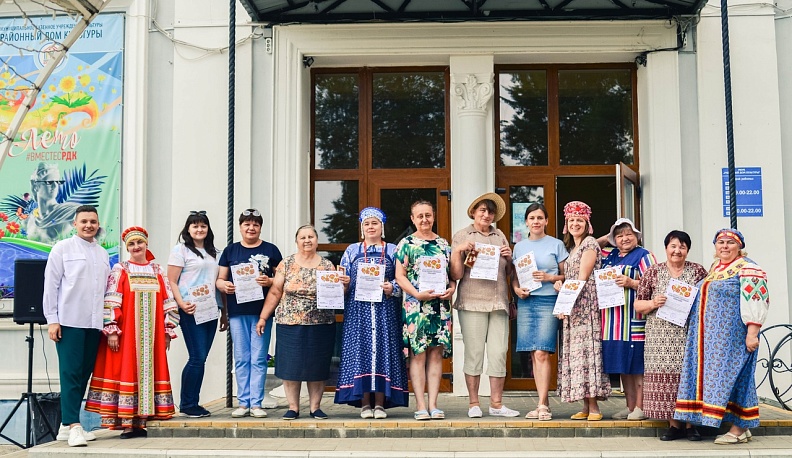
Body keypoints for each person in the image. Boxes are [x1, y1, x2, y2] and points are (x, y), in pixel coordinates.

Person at [674, 229, 769, 445]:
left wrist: (752, 332)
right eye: (720, 242)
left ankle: (739, 428)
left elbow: (756, 299)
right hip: (711, 340)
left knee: (739, 378)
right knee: (725, 380)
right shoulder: (716, 268)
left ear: (739, 247)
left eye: (730, 243)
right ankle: (740, 427)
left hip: (733, 336)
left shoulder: (748, 268)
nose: (724, 246)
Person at [85, 226, 179, 438]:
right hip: (127, 335)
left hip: (152, 336)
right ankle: (128, 423)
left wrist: (167, 330)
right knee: (126, 371)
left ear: (146, 244)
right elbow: (111, 299)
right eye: (132, 244)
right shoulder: (121, 269)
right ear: (127, 248)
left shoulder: (157, 270)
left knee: (149, 373)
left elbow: (168, 301)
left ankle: (144, 422)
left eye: (139, 243)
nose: (136, 247)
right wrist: (111, 330)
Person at [43, 205, 109, 447]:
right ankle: (74, 426)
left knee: (83, 373)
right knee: (70, 373)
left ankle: (64, 425)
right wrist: (52, 319)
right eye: (84, 221)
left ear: (98, 224)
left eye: (93, 221)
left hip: (94, 323)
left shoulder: (102, 253)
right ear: (75, 223)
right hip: (69, 321)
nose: (89, 225)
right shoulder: (62, 249)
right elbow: (51, 285)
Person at [257, 224, 338, 420]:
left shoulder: (327, 265)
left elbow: (336, 294)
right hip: (289, 323)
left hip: (321, 323)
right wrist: (263, 317)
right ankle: (293, 407)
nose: (307, 240)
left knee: (317, 366)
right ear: (297, 241)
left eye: (311, 236)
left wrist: (342, 286)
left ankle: (315, 407)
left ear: (317, 240)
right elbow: (275, 291)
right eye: (303, 237)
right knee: (291, 366)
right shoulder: (286, 263)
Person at [334, 207, 408, 418]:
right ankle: (365, 403)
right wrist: (344, 283)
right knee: (361, 352)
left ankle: (381, 404)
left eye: (374, 223)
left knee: (384, 351)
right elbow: (342, 281)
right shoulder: (352, 250)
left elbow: (404, 278)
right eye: (366, 224)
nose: (370, 227)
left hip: (385, 311)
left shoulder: (394, 250)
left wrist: (392, 287)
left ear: (382, 226)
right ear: (362, 228)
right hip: (359, 313)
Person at [450, 193, 518, 418]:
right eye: (482, 210)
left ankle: (497, 404)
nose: (486, 215)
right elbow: (456, 274)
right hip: (472, 301)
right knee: (474, 353)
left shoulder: (500, 236)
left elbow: (508, 273)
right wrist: (459, 250)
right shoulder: (462, 235)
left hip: (498, 301)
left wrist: (509, 258)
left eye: (490, 212)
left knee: (499, 353)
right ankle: (473, 403)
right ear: (473, 212)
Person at [634, 230, 707, 441]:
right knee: (665, 379)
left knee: (689, 377)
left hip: (690, 333)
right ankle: (673, 425)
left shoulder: (697, 271)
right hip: (660, 336)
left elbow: (707, 300)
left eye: (682, 247)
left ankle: (691, 424)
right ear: (666, 248)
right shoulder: (653, 272)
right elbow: (638, 304)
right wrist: (652, 303)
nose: (677, 251)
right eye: (673, 246)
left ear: (687, 250)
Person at [216, 209, 283, 418]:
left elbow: (282, 278)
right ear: (240, 227)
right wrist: (224, 286)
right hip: (237, 312)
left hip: (262, 311)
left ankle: (256, 403)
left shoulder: (271, 250)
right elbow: (219, 279)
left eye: (255, 224)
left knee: (259, 358)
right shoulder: (231, 251)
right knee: (242, 357)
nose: (251, 228)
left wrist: (270, 281)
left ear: (260, 227)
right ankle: (243, 402)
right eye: (247, 224)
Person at [394, 200, 455, 421]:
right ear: (412, 219)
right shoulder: (406, 244)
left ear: (434, 216)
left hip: (440, 307)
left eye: (428, 215)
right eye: (419, 216)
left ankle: (434, 405)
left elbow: (451, 276)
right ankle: (420, 405)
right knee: (418, 355)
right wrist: (416, 294)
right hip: (415, 306)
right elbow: (400, 276)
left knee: (436, 355)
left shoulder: (443, 244)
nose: (424, 220)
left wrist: (452, 289)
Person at [168, 211, 227, 418]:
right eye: (195, 226)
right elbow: (172, 280)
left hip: (210, 309)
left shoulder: (215, 253)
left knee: (201, 358)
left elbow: (218, 284)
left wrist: (224, 313)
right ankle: (187, 403)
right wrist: (181, 303)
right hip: (191, 309)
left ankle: (193, 401)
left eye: (203, 226)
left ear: (208, 229)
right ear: (188, 229)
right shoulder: (181, 250)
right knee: (197, 356)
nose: (199, 229)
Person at [511, 202, 567, 421]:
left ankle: (543, 404)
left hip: (548, 301)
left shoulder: (556, 244)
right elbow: (515, 277)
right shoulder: (519, 247)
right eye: (532, 218)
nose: (535, 221)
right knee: (534, 353)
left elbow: (567, 275)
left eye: (539, 218)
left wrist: (550, 278)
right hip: (526, 302)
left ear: (546, 221)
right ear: (526, 221)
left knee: (543, 351)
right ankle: (542, 401)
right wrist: (517, 289)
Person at [555, 201, 610, 420]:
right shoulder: (574, 248)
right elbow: (569, 279)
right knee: (578, 356)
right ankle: (585, 407)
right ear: (566, 224)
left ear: (587, 224)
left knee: (588, 353)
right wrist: (559, 283)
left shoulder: (588, 244)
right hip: (574, 307)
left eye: (580, 220)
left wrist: (565, 304)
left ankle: (594, 407)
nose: (575, 223)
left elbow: (581, 278)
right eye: (571, 220)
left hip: (585, 306)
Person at [598, 218, 656, 421]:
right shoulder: (609, 255)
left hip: (634, 320)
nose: (624, 238)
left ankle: (641, 406)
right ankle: (630, 407)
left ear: (637, 236)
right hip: (612, 323)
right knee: (623, 366)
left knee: (637, 366)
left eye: (629, 234)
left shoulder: (644, 255)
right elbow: (588, 247)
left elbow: (655, 284)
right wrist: (608, 236)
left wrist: (632, 282)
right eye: (620, 235)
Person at [27, 162, 80, 243]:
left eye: (57, 182)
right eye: (49, 182)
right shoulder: (30, 220)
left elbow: (98, 232)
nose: (55, 186)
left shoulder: (71, 211)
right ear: (35, 186)